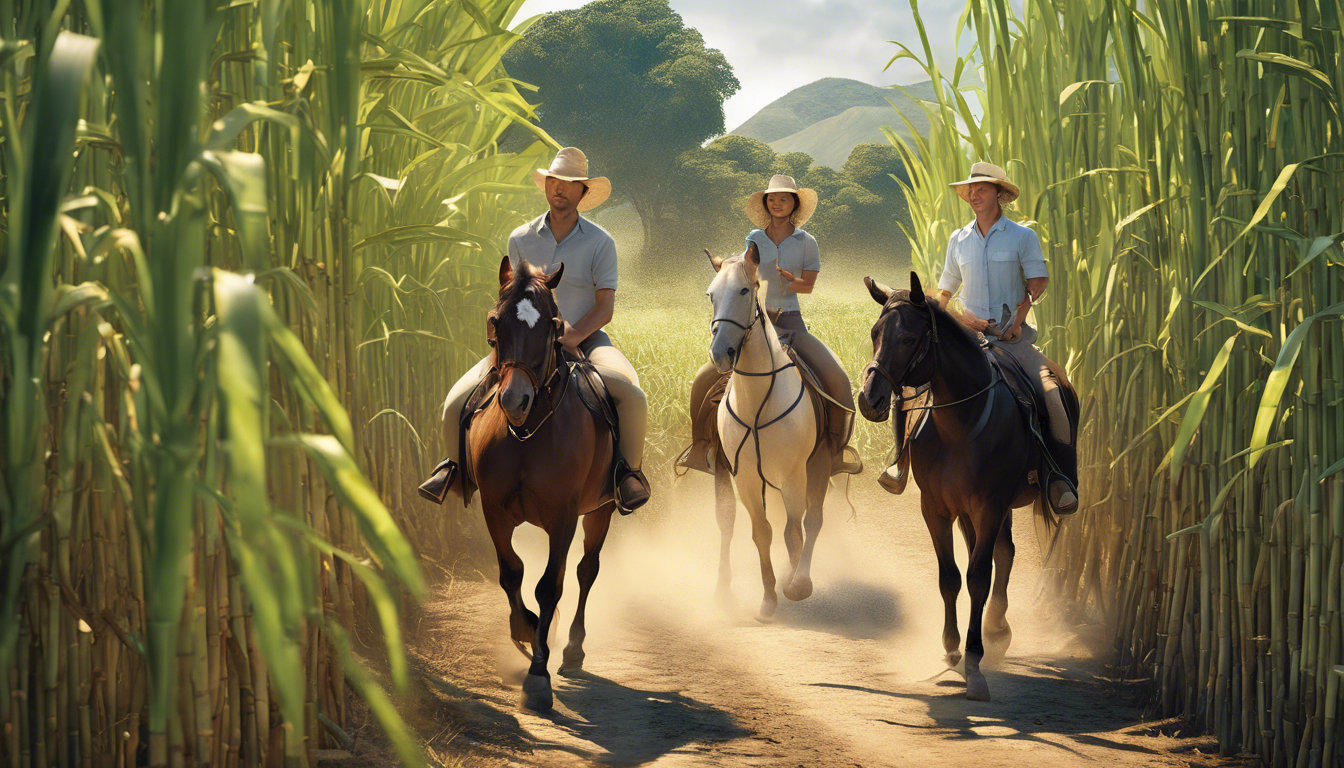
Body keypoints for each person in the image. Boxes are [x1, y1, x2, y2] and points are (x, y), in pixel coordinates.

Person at [420, 147, 650, 512]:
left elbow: (605, 307)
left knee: (633, 397)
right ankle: (455, 471)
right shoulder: (520, 238)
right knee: (454, 403)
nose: (559, 189)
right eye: (554, 181)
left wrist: (572, 336)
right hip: (525, 345)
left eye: (569, 184)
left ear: (582, 193)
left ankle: (628, 475)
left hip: (586, 341)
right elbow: (512, 297)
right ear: (547, 186)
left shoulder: (601, 242)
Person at [681, 175, 862, 476]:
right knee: (704, 377)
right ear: (766, 203)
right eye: (772, 198)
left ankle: (835, 452)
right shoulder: (755, 238)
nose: (777, 203)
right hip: (756, 325)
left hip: (791, 324)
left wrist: (792, 282)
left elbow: (809, 286)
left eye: (784, 198)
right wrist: (724, 265)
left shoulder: (808, 242)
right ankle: (701, 447)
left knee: (838, 379)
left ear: (795, 204)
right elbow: (742, 265)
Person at [929, 161, 1078, 514]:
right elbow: (945, 291)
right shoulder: (958, 239)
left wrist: (1019, 317)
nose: (974, 194)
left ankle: (1059, 477)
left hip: (1013, 340)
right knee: (916, 387)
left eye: (982, 188)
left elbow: (1038, 282)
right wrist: (956, 317)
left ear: (1000, 194)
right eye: (970, 189)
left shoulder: (1022, 236)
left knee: (1053, 396)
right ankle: (903, 462)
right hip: (969, 341)